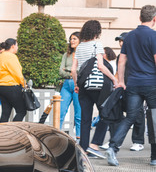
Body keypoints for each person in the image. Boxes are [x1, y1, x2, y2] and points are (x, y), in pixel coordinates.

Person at [106, 5, 156, 167]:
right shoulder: (154, 36)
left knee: (130, 118)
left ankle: (113, 147)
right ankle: (154, 157)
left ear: (140, 18)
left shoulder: (129, 37)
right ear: (154, 19)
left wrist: (121, 81)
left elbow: (121, 60)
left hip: (133, 84)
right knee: (154, 119)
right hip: (151, 84)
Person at [71, 20, 117, 156]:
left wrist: (76, 85)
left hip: (83, 86)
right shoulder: (97, 44)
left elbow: (73, 70)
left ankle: (83, 148)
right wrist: (114, 79)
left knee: (85, 117)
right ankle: (95, 144)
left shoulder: (79, 47)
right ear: (97, 31)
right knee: (106, 114)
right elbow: (101, 66)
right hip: (98, 86)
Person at [115, 32, 146, 151]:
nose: (121, 43)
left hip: (136, 87)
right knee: (117, 112)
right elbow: (119, 71)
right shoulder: (120, 56)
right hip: (122, 88)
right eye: (120, 41)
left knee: (137, 114)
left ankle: (138, 141)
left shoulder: (136, 54)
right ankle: (116, 140)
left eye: (123, 40)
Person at [0, 38, 27, 122]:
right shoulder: (11, 57)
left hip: (0, 87)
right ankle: (13, 131)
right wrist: (24, 84)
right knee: (21, 111)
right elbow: (17, 73)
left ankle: (1, 133)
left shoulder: (1, 56)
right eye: (17, 45)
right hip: (11, 86)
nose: (17, 47)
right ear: (13, 46)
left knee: (5, 113)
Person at [58, 32, 81, 140]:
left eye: (74, 39)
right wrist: (71, 72)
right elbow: (60, 71)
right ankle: (56, 133)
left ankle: (79, 136)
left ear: (80, 40)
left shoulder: (82, 55)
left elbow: (81, 71)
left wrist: (69, 71)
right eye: (71, 39)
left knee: (78, 113)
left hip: (78, 85)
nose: (72, 41)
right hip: (66, 84)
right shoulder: (66, 55)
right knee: (61, 111)